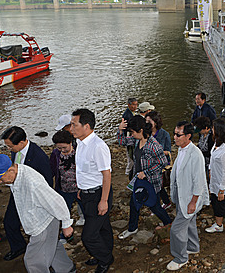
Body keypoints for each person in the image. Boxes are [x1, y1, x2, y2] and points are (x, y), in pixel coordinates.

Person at [0, 154, 75, 273]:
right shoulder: (16, 173)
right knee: (52, 246)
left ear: (11, 170)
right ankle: (68, 269)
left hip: (43, 224)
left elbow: (56, 201)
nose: (0, 183)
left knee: (33, 261)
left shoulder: (33, 183)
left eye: (0, 179)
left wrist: (66, 224)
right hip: (40, 218)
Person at [70, 109, 114, 273]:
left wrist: (103, 201)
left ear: (86, 126)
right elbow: (83, 170)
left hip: (99, 194)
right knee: (103, 227)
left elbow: (107, 175)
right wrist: (81, 188)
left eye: (74, 125)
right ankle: (103, 253)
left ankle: (106, 259)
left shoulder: (98, 146)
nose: (71, 128)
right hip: (86, 194)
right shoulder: (80, 143)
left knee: (88, 236)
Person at [1, 126, 53, 262]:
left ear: (22, 142)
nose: (9, 149)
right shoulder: (15, 151)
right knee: (9, 222)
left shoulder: (38, 157)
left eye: (10, 146)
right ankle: (18, 247)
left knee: (34, 228)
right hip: (17, 192)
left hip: (32, 197)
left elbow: (47, 182)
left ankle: (42, 256)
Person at [117, 115, 172, 239]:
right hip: (139, 181)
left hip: (152, 182)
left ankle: (168, 223)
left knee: (155, 206)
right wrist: (120, 130)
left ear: (140, 131)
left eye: (132, 132)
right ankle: (132, 228)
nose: (131, 134)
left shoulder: (154, 145)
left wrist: (146, 172)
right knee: (134, 204)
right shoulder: (136, 140)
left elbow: (163, 163)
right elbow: (122, 142)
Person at [167, 121, 209, 271]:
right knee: (190, 222)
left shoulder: (195, 154)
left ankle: (180, 258)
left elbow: (199, 181)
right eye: (174, 133)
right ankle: (193, 246)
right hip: (181, 192)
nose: (175, 137)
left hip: (190, 197)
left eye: (178, 135)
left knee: (176, 229)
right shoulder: (181, 149)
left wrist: (193, 202)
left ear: (188, 136)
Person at [50, 130, 85, 230]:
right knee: (64, 214)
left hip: (79, 189)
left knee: (86, 211)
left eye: (64, 147)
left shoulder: (79, 152)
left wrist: (82, 188)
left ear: (70, 143)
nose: (62, 150)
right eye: (59, 148)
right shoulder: (56, 154)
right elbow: (52, 169)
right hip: (63, 189)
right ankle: (64, 234)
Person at [122, 98, 138, 178]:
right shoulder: (127, 115)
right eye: (133, 104)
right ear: (129, 105)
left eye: (136, 104)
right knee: (130, 156)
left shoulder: (131, 113)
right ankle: (128, 172)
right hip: (129, 138)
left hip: (130, 137)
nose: (135, 106)